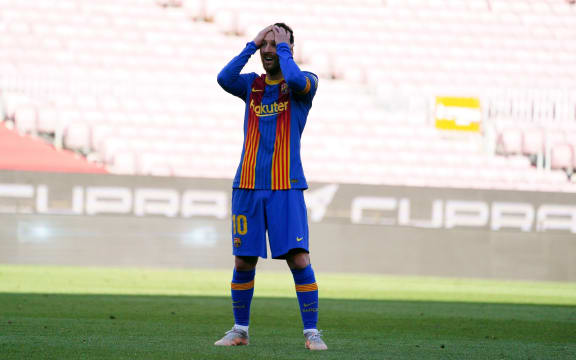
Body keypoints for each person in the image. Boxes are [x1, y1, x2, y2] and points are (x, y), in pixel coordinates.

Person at [214, 23, 326, 351]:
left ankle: (312, 333)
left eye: (275, 46)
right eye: (267, 46)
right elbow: (223, 78)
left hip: (285, 185)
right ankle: (239, 331)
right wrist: (252, 43)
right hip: (247, 184)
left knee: (299, 259)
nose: (268, 52)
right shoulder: (252, 86)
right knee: (243, 261)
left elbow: (293, 78)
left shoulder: (305, 83)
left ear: (290, 49)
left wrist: (283, 47)